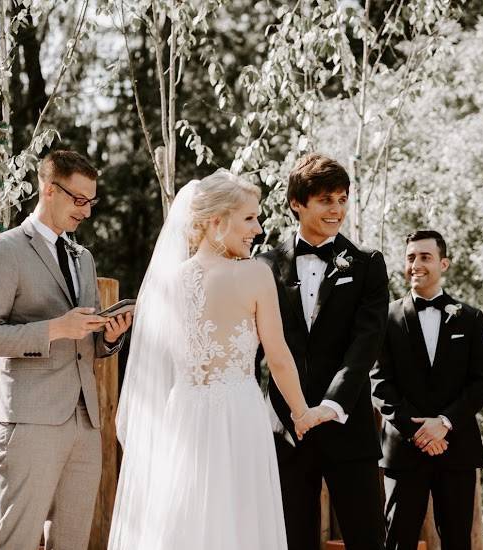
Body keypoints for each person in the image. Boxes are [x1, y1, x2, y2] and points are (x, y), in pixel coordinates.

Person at [108, 169, 326, 550]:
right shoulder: (256, 274)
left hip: (181, 416)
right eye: (249, 218)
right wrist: (301, 412)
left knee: (184, 520)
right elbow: (278, 358)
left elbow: (152, 363)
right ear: (215, 221)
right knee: (239, 521)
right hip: (238, 415)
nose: (258, 229)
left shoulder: (167, 282)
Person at [0, 150, 132, 550]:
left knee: (72, 543)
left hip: (85, 421)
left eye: (91, 202)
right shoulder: (2, 250)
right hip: (28, 423)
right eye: (79, 200)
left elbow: (87, 345)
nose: (87, 213)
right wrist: (56, 328)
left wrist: (109, 336)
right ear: (48, 189)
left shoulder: (83, 257)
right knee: (17, 542)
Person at [256, 153, 389, 550]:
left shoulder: (368, 264)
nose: (337, 210)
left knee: (367, 538)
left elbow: (365, 346)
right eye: (326, 200)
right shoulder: (264, 264)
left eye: (342, 199)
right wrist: (292, 413)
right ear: (297, 202)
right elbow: (255, 351)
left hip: (348, 427)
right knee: (292, 539)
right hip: (286, 431)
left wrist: (329, 407)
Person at [371, 230, 483, 550]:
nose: (416, 265)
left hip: (457, 448)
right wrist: (417, 431)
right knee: (398, 539)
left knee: (457, 540)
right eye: (410, 258)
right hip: (404, 450)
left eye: (425, 257)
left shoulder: (470, 318)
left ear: (444, 263)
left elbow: (482, 383)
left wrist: (444, 423)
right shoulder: (387, 317)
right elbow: (379, 383)